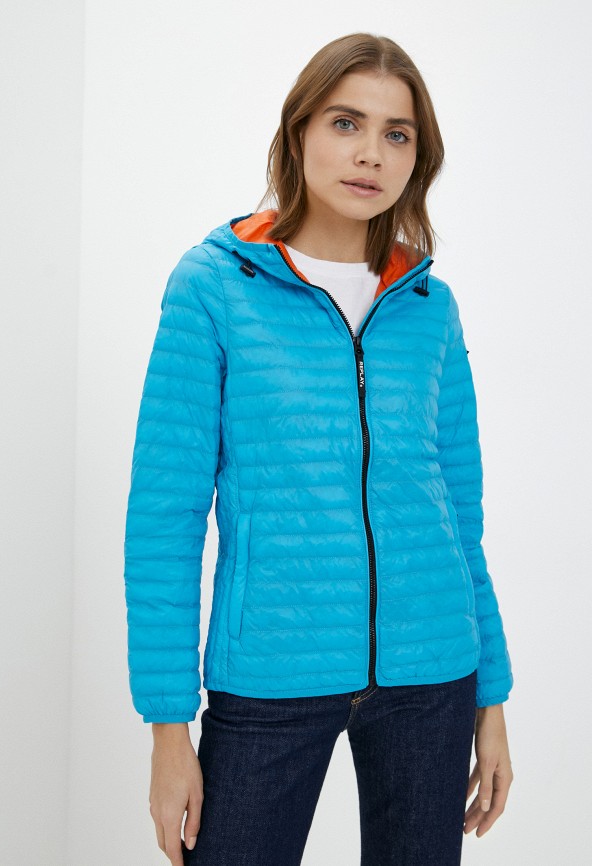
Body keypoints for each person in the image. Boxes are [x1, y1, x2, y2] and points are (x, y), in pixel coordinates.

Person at [123, 31, 514, 866]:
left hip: (433, 679)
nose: (371, 153)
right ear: (298, 131)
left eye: (397, 134)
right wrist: (168, 730)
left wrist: (493, 698)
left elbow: (461, 516)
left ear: (417, 158)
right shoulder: (214, 287)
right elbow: (164, 518)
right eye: (346, 122)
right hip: (269, 677)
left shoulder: (429, 308)